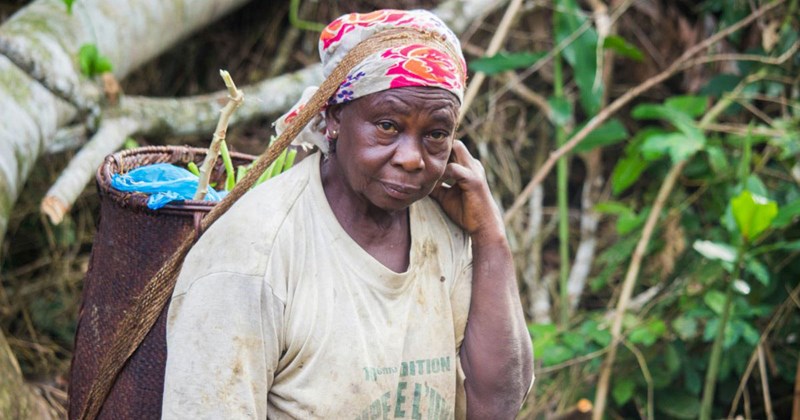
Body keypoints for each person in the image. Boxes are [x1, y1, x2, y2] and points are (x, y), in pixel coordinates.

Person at [162, 9, 533, 419]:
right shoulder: (253, 251)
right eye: (388, 126)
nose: (412, 159)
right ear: (334, 117)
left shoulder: (446, 236)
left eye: (436, 134)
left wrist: (490, 237)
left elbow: (497, 407)